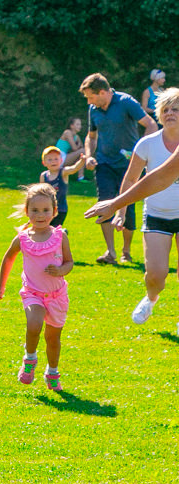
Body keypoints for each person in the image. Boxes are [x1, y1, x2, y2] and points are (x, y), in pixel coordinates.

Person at [90, 88, 179, 327]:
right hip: (157, 215)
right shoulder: (147, 144)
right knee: (156, 276)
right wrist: (120, 211)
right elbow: (135, 180)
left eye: (176, 109)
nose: (170, 113)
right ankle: (151, 299)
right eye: (166, 109)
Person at [0, 184, 74, 391]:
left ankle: (53, 371)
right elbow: (8, 258)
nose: (40, 215)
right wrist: (1, 287)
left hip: (57, 296)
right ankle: (29, 359)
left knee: (53, 339)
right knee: (34, 324)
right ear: (27, 211)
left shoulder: (60, 236)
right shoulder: (23, 238)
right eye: (35, 210)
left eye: (46, 210)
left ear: (54, 212)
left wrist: (61, 271)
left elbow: (69, 263)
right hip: (33, 293)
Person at [80, 73, 158, 264]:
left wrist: (141, 151)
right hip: (104, 163)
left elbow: (150, 124)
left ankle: (126, 251)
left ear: (103, 92)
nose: (89, 101)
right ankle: (110, 252)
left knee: (127, 205)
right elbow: (91, 136)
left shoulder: (125, 102)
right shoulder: (94, 109)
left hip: (128, 165)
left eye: (91, 96)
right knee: (104, 203)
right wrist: (89, 155)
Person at [39, 145, 86, 227]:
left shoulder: (63, 172)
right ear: (44, 163)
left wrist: (82, 161)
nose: (53, 161)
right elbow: (41, 193)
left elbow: (74, 168)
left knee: (54, 229)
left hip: (60, 209)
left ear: (61, 160)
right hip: (46, 209)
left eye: (56, 159)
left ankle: (61, 234)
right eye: (50, 159)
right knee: (44, 228)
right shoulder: (44, 176)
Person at [55, 117, 87, 182]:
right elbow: (75, 148)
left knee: (82, 154)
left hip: (65, 156)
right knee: (83, 151)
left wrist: (79, 146)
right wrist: (79, 146)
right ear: (72, 126)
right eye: (77, 124)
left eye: (80, 125)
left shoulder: (76, 136)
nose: (80, 126)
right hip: (58, 156)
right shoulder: (67, 133)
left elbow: (80, 148)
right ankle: (80, 177)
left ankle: (81, 177)